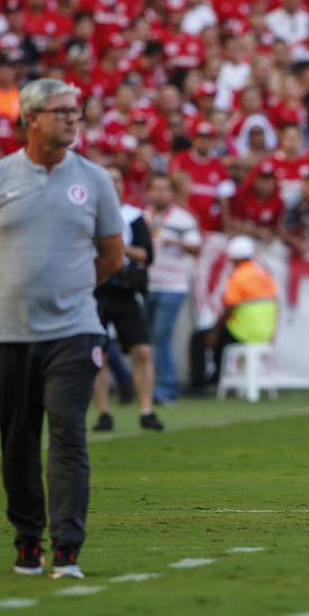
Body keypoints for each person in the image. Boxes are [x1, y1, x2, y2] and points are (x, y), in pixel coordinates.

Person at [0, 79, 125, 579]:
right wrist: (16, 289)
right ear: (31, 119)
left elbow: (112, 254)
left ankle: (68, 548)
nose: (72, 119)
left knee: (68, 434)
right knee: (17, 440)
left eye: (76, 111)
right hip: (8, 333)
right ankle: (28, 540)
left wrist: (70, 291)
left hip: (75, 331)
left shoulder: (96, 180)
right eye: (61, 112)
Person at [90, 166, 164, 433]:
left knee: (142, 349)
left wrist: (117, 248)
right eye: (110, 180)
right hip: (96, 289)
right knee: (98, 353)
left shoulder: (133, 217)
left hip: (125, 289)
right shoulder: (88, 214)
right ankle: (104, 412)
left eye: (119, 179)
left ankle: (146, 409)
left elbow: (147, 255)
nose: (115, 185)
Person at [189, 236, 279, 393]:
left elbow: (229, 308)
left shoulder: (238, 277)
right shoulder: (265, 275)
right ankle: (216, 378)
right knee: (220, 338)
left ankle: (199, 385)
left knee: (200, 338)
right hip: (265, 332)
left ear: (233, 258)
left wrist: (215, 332)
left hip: (244, 332)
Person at [144, 173, 202, 404]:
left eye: (165, 189)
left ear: (172, 193)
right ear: (149, 192)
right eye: (156, 189)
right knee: (148, 337)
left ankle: (166, 386)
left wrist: (175, 242)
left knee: (162, 334)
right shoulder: (142, 217)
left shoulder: (182, 218)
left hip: (173, 285)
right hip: (147, 284)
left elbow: (196, 248)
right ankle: (151, 384)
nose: (161, 194)